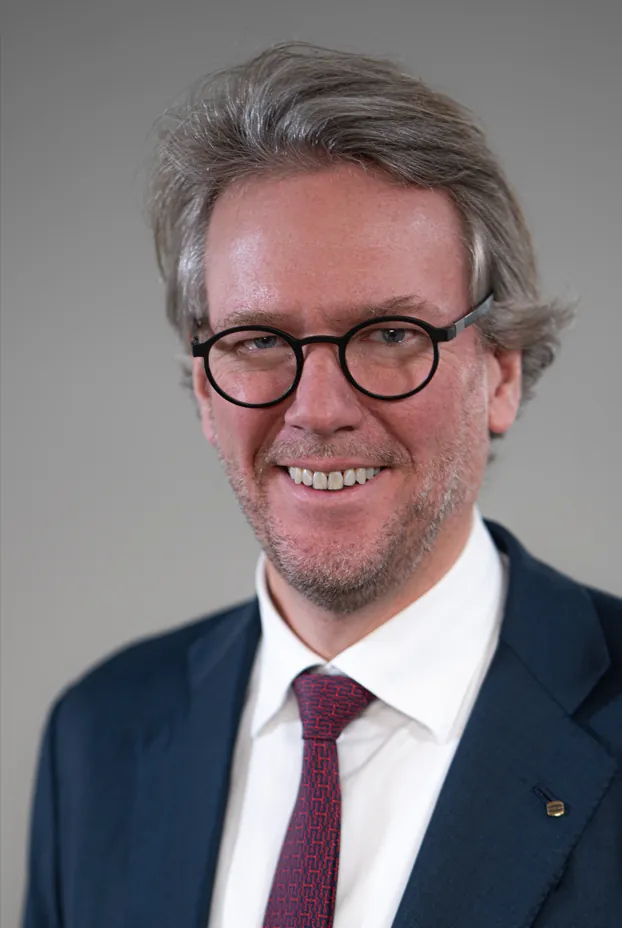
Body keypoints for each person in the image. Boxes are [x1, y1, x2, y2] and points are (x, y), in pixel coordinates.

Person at [23, 43, 621, 928]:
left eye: (390, 334)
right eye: (259, 341)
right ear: (204, 390)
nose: (320, 409)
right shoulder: (99, 736)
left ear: (499, 373)